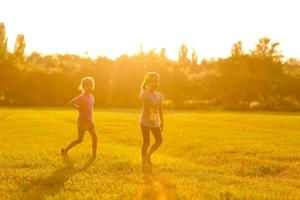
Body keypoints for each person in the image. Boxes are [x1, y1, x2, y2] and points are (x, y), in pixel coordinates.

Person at [61, 76, 97, 159]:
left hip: (90, 121)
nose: (89, 87)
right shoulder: (81, 97)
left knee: (95, 137)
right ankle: (65, 150)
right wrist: (79, 108)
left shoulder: (92, 97)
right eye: (87, 85)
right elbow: (71, 103)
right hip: (82, 121)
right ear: (83, 87)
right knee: (80, 139)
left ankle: (94, 156)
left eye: (91, 85)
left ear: (93, 86)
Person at [138, 72, 164, 172]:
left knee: (159, 140)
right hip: (144, 122)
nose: (155, 84)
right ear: (148, 82)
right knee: (146, 142)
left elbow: (160, 110)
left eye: (157, 82)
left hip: (155, 123)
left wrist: (162, 121)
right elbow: (140, 98)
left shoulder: (159, 95)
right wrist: (146, 89)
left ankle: (149, 155)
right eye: (153, 82)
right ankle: (144, 160)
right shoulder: (145, 93)